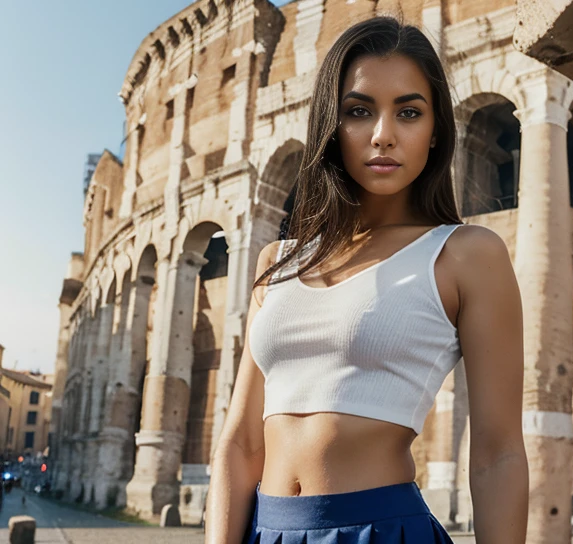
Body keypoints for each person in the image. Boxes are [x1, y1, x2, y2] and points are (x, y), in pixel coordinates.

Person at [205, 16, 528, 544]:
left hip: (380, 530)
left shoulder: (465, 254)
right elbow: (240, 442)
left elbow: (498, 452)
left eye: (408, 112)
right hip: (267, 532)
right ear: (332, 126)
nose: (383, 135)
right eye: (359, 111)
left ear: (435, 130)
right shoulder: (278, 261)